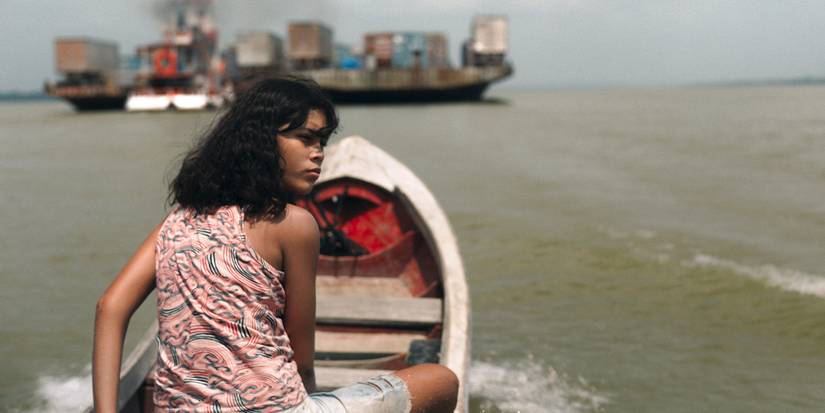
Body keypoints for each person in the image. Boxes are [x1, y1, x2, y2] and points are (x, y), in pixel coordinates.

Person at [92, 77, 459, 413]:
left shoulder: (175, 222)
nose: (318, 153)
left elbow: (110, 307)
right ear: (262, 142)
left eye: (322, 142)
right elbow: (302, 361)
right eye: (305, 138)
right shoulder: (293, 224)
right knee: (440, 381)